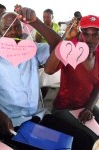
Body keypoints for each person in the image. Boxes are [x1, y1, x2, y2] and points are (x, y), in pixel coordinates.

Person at [0, 8, 62, 149]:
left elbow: (59, 47)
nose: (13, 32)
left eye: (17, 27)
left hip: (38, 117)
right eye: (7, 28)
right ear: (0, 33)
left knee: (66, 143)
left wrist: (36, 22)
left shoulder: (32, 50)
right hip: (12, 122)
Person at [44, 15, 99, 149]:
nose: (90, 40)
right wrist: (65, 41)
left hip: (85, 106)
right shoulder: (70, 52)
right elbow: (48, 70)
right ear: (79, 35)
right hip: (63, 108)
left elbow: (97, 85)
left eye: (95, 35)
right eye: (86, 34)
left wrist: (89, 107)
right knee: (91, 139)